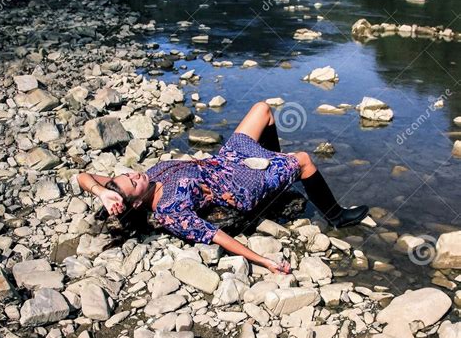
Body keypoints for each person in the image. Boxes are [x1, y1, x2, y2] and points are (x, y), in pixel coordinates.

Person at [78, 102, 368, 274]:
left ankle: (276, 165)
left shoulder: (139, 183)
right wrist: (265, 262)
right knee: (304, 160)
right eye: (133, 181)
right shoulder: (171, 211)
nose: (136, 174)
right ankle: (336, 216)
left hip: (224, 160)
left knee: (263, 109)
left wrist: (103, 192)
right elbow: (218, 237)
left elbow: (83, 176)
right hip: (240, 186)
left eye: (130, 174)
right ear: (138, 202)